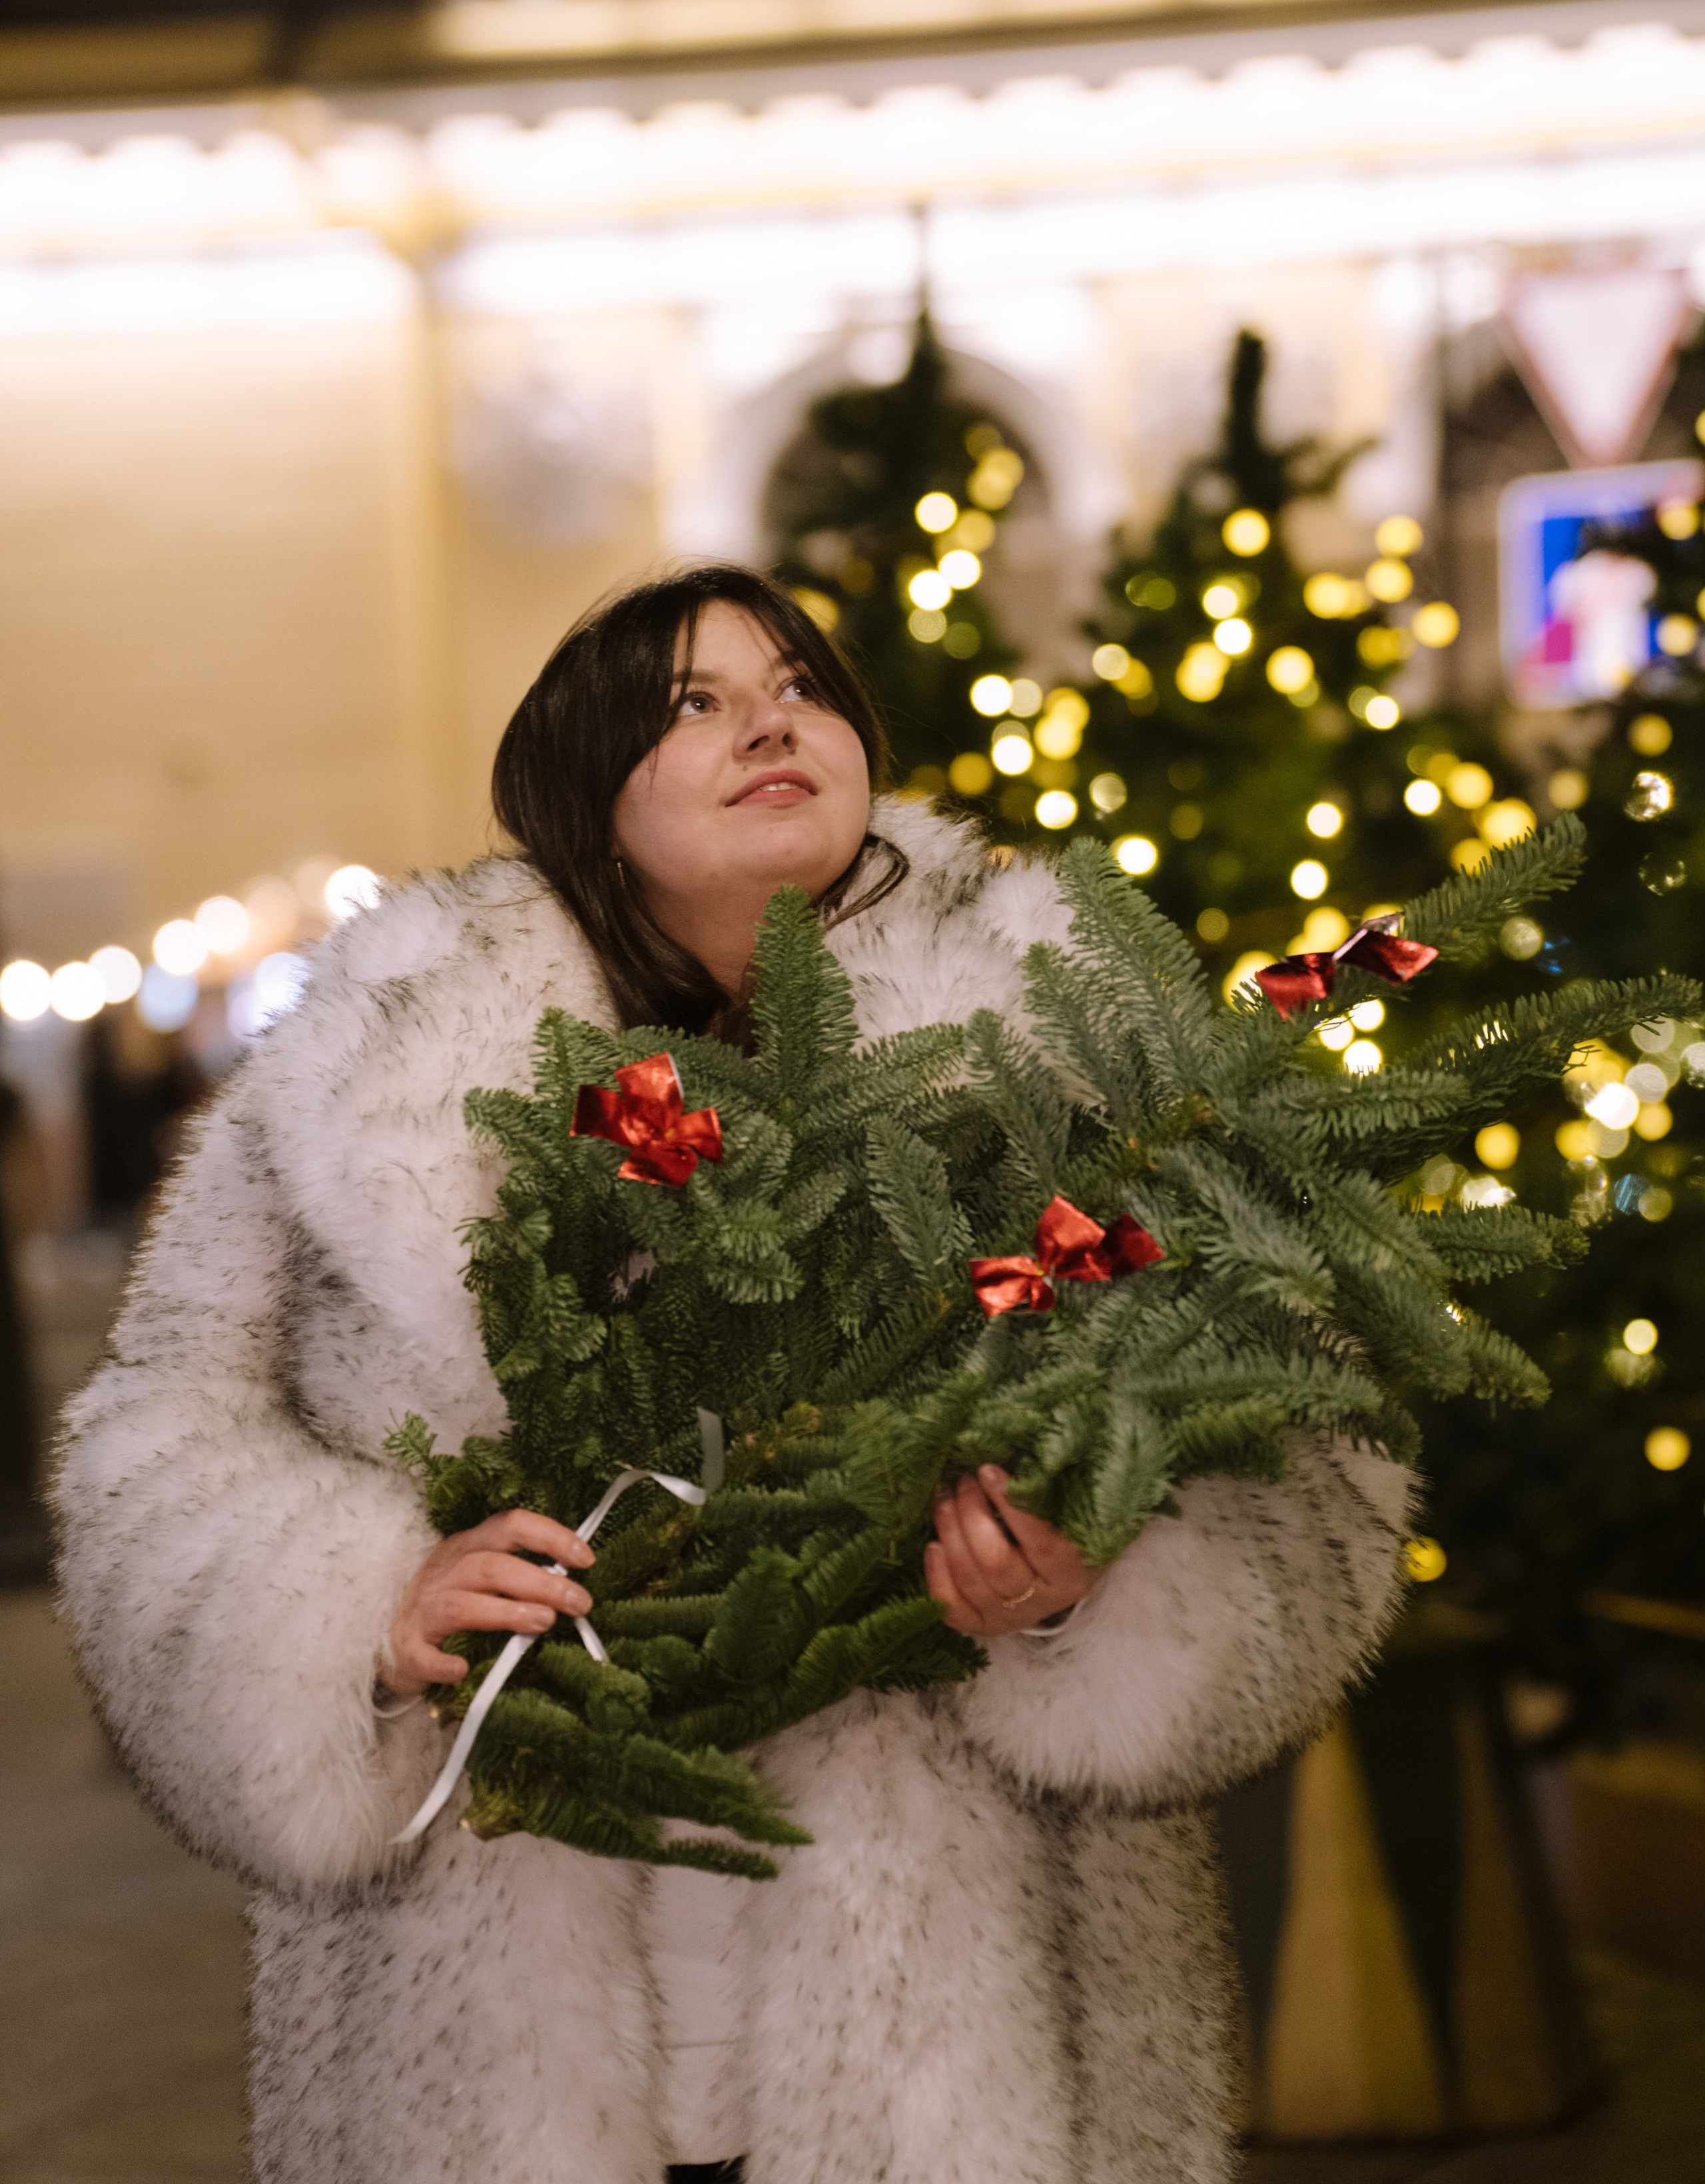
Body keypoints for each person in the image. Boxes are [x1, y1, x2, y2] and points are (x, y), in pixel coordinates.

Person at [57, 566, 1411, 2184]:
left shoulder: (1069, 1049)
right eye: (690, 702)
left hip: (956, 2038)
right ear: (579, 790)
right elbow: (159, 1430)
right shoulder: (371, 1070)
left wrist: (1083, 1581)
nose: (769, 719)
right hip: (491, 2026)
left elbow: (1302, 1421)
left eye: (799, 685)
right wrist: (357, 1606)